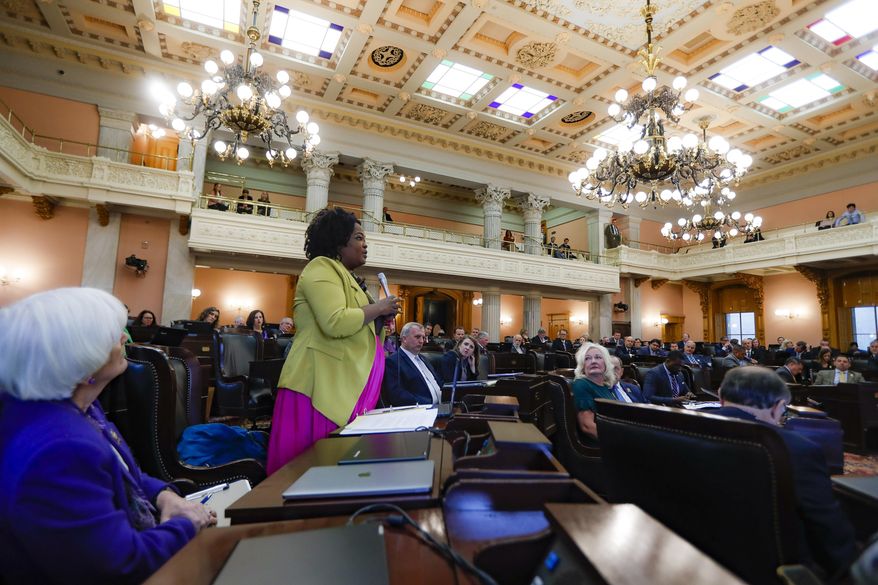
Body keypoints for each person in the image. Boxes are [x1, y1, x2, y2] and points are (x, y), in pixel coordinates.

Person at [0, 288, 215, 585]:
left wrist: (164, 496)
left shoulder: (78, 405)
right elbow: (121, 566)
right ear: (82, 359)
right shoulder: (62, 450)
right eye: (115, 335)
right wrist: (185, 524)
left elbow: (125, 472)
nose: (126, 338)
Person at [266, 207, 398, 474]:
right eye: (359, 238)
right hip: (318, 385)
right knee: (307, 471)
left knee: (333, 469)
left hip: (340, 382)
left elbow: (361, 325)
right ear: (339, 242)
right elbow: (335, 321)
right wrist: (380, 309)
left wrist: (380, 320)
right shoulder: (321, 267)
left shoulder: (347, 277)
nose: (365, 244)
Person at [712, 367, 857, 576]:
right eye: (783, 413)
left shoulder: (680, 425)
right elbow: (830, 536)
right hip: (773, 571)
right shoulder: (795, 449)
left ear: (720, 396)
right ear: (778, 406)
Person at [382, 322, 443, 406]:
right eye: (417, 337)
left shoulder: (424, 359)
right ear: (404, 339)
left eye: (423, 337)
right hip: (421, 410)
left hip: (441, 406)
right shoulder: (393, 361)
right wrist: (426, 404)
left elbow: (438, 382)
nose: (421, 341)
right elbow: (396, 394)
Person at [571, 343, 617, 443]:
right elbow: (587, 427)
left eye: (598, 357)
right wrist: (620, 442)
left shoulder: (606, 386)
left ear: (606, 363)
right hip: (600, 445)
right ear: (583, 366)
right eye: (587, 359)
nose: (593, 361)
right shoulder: (581, 385)